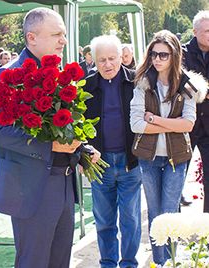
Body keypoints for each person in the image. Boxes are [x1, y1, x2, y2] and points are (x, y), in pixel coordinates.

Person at [0, 7, 100, 268]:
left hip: (64, 184)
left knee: (60, 261)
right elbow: (0, 133)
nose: (64, 40)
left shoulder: (60, 75)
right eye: (56, 34)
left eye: (63, 34)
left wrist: (81, 149)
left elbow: (60, 128)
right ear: (32, 38)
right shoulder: (8, 77)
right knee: (34, 262)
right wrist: (51, 144)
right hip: (32, 188)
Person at [130, 30, 207, 266]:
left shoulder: (189, 86)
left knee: (170, 213)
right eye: (153, 54)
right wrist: (171, 125)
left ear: (174, 55)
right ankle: (160, 262)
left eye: (163, 55)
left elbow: (188, 124)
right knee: (155, 214)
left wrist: (154, 120)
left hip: (177, 157)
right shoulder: (142, 83)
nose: (157, 59)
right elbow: (136, 124)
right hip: (148, 158)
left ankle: (171, 262)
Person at [83, 35, 141, 268]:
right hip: (100, 164)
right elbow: (78, 125)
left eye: (112, 58)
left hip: (131, 162)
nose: (108, 64)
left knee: (131, 219)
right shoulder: (87, 86)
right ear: (94, 61)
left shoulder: (137, 82)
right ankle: (107, 263)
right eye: (102, 60)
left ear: (122, 57)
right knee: (104, 221)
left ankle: (128, 263)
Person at [182, 10, 209, 212]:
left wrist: (199, 89)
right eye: (207, 31)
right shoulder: (181, 53)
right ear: (195, 31)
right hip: (185, 124)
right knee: (176, 180)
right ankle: (172, 233)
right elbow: (181, 84)